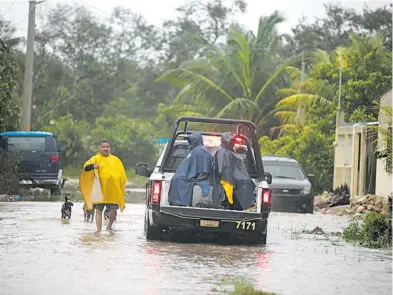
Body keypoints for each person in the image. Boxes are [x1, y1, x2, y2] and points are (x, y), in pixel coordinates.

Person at [79, 140, 127, 232]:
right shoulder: (95, 159)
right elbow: (85, 168)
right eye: (103, 147)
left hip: (113, 190)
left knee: (113, 210)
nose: (105, 148)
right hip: (99, 190)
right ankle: (98, 230)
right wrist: (93, 166)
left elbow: (123, 175)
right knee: (98, 210)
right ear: (99, 148)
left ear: (110, 148)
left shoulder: (116, 160)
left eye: (107, 147)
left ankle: (109, 226)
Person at [211, 132, 255, 210]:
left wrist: (239, 147)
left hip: (233, 181)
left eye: (233, 141)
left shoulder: (227, 151)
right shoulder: (223, 152)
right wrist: (233, 181)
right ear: (226, 142)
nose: (233, 143)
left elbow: (248, 149)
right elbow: (223, 170)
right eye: (231, 141)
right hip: (229, 183)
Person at [168, 132, 212, 206]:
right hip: (184, 177)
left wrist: (198, 180)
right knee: (178, 179)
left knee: (179, 180)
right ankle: (176, 202)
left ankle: (180, 203)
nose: (190, 143)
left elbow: (205, 170)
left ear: (197, 140)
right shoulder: (194, 150)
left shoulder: (202, 151)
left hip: (189, 179)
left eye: (192, 140)